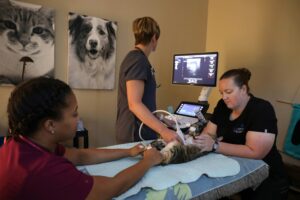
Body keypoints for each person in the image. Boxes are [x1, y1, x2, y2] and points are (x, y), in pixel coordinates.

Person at [0, 77, 163, 200]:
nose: (78, 119)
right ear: (50, 125)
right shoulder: (43, 170)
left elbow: (79, 156)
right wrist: (148, 161)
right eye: (74, 113)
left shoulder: (23, 143)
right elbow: (110, 188)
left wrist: (128, 152)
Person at [194, 68, 289, 200]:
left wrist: (215, 146)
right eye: (221, 93)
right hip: (234, 166)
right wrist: (202, 142)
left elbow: (256, 152)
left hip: (266, 175)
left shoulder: (261, 109)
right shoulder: (223, 105)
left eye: (228, 92)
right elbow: (209, 133)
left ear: (243, 89)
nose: (224, 97)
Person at [116, 16, 178, 144]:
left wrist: (161, 118)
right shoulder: (138, 60)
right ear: (154, 38)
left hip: (136, 131)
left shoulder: (135, 59)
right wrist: (164, 131)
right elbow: (135, 104)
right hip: (134, 133)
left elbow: (143, 101)